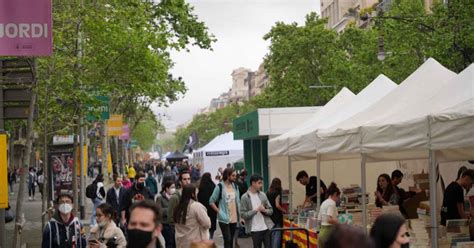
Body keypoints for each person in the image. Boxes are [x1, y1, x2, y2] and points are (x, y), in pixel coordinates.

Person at [209, 168, 240, 248]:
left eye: (235, 175)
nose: (235, 177)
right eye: (233, 175)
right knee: (228, 239)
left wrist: (240, 216)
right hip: (224, 218)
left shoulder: (235, 186)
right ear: (227, 175)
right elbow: (211, 201)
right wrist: (219, 211)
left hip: (234, 218)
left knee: (231, 240)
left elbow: (238, 202)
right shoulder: (219, 187)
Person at [240, 174, 273, 248]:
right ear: (253, 183)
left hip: (266, 227)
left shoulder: (263, 195)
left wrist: (264, 210)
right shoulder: (245, 197)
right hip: (254, 229)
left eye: (261, 183)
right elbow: (243, 214)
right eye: (259, 183)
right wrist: (256, 210)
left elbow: (271, 211)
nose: (261, 185)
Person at [317, 182, 341, 248]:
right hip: (328, 233)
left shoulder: (324, 203)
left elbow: (319, 220)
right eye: (338, 197)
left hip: (321, 233)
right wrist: (339, 223)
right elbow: (329, 219)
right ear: (335, 194)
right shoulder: (332, 203)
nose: (338, 199)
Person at [266, 178, 287, 248]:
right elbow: (277, 205)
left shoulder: (268, 192)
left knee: (271, 235)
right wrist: (284, 210)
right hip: (276, 217)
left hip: (269, 216)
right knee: (277, 236)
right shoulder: (277, 193)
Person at [157, 180, 176, 248]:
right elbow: (158, 211)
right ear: (167, 188)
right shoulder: (160, 198)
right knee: (169, 243)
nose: (174, 189)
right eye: (172, 187)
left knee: (175, 243)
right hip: (166, 225)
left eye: (174, 187)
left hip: (175, 224)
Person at [198, 173, 217, 239]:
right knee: (212, 227)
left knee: (205, 227)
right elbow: (216, 198)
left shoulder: (201, 187)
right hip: (212, 209)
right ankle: (210, 239)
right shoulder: (213, 185)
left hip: (203, 210)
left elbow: (199, 199)